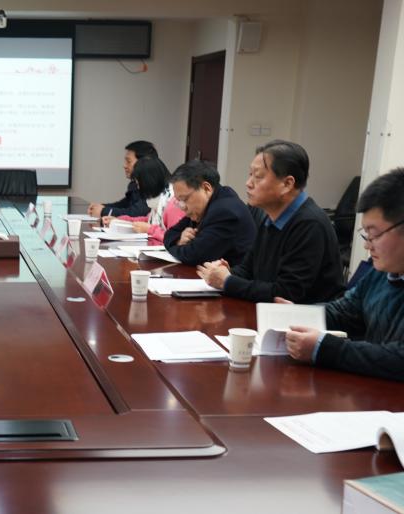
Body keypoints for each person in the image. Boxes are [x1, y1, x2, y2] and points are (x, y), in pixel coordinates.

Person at [285, 169, 404, 381]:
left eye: (374, 234)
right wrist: (298, 314)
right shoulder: (382, 272)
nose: (367, 245)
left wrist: (324, 349)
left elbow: (399, 359)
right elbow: (345, 311)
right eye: (366, 235)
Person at [198, 140, 344, 303]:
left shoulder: (310, 224)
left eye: (258, 176)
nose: (248, 183)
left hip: (303, 316)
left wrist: (228, 282)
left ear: (287, 184)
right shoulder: (270, 217)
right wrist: (227, 273)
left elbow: (286, 293)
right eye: (250, 174)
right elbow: (248, 269)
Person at [162, 160, 257, 265]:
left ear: (206, 188)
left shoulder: (225, 212)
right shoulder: (205, 205)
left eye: (184, 199)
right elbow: (170, 234)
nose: (183, 207)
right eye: (179, 201)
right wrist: (179, 240)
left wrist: (176, 246)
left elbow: (194, 255)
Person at [102, 156, 183, 245]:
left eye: (139, 184)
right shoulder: (159, 199)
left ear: (148, 182)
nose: (138, 188)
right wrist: (119, 221)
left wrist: (150, 229)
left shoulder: (173, 204)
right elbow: (147, 220)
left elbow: (175, 239)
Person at [87, 140, 157, 218]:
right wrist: (102, 207)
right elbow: (125, 204)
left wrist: (104, 211)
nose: (124, 166)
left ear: (144, 162)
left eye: (128, 161)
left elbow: (136, 213)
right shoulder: (135, 184)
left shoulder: (154, 185)